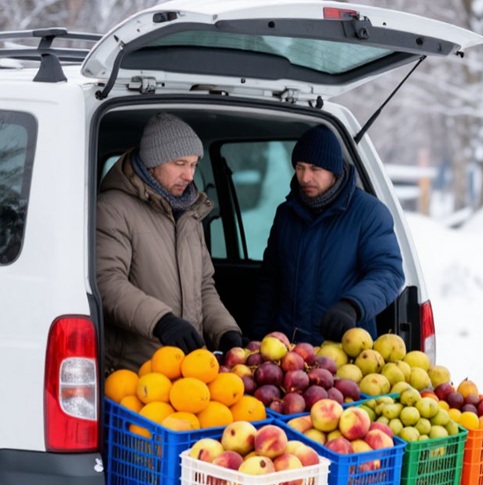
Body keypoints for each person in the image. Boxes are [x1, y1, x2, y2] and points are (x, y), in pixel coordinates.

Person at [96, 113, 243, 372]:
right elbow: (106, 283)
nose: (189, 175)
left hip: (188, 370)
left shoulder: (189, 213)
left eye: (194, 165)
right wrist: (161, 321)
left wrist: (226, 331)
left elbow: (204, 286)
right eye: (179, 163)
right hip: (137, 372)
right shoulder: (113, 209)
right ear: (153, 162)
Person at [249, 124, 404, 345]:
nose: (305, 177)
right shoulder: (286, 214)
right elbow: (270, 279)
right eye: (300, 167)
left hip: (345, 350)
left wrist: (352, 305)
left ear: (334, 171)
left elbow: (389, 272)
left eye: (315, 169)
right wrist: (257, 334)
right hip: (287, 351)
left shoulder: (369, 213)